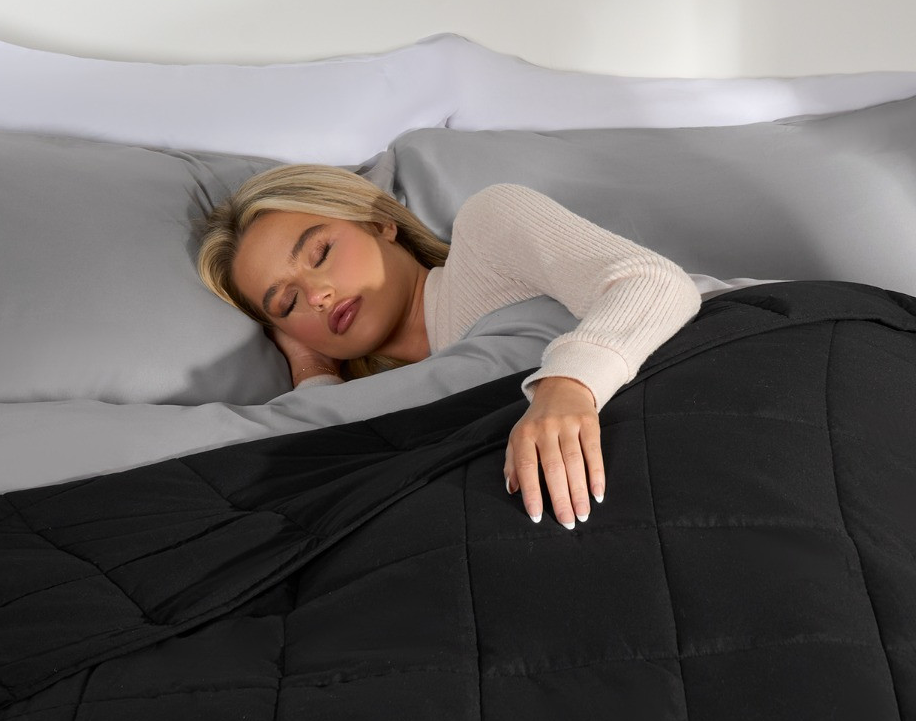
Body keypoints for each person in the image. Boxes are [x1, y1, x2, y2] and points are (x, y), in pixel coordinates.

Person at [197, 165, 703, 530]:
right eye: (287, 303)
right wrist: (312, 366)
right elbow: (323, 449)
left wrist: (566, 387)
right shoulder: (393, 403)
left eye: (321, 252)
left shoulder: (486, 232)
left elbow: (654, 283)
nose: (316, 295)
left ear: (380, 223)